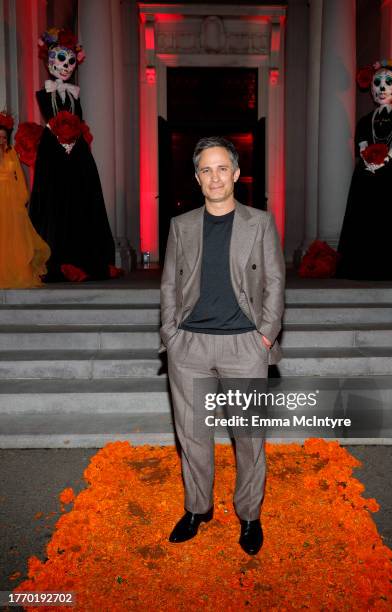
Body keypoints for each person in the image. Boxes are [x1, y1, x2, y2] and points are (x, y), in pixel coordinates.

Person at [160, 136, 285, 555]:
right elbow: (169, 286)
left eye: (222, 168)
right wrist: (171, 336)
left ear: (235, 173)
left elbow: (274, 283)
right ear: (197, 178)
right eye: (206, 170)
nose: (215, 177)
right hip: (190, 345)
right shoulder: (181, 226)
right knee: (193, 436)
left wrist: (264, 336)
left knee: (248, 437)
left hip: (243, 345)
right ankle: (198, 508)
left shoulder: (260, 223)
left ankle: (249, 515)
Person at [28, 28, 116, 282]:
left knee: (82, 202)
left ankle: (83, 258)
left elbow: (79, 120)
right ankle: (56, 259)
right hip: (54, 154)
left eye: (71, 61)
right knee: (54, 203)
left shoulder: (74, 94)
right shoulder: (46, 93)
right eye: (61, 59)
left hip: (76, 154)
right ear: (50, 60)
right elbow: (52, 117)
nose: (66, 66)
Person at [336, 59, 392, 280]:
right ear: (371, 87)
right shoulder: (365, 120)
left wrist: (385, 159)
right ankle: (364, 265)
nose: (383, 88)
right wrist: (369, 160)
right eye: (378, 82)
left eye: (388, 82)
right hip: (368, 173)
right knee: (366, 217)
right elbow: (362, 143)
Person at [0, 112, 50, 288]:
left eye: (4, 137)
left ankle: (16, 270)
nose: (2, 140)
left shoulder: (11, 153)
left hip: (11, 199)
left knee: (14, 236)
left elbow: (18, 177)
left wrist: (22, 198)